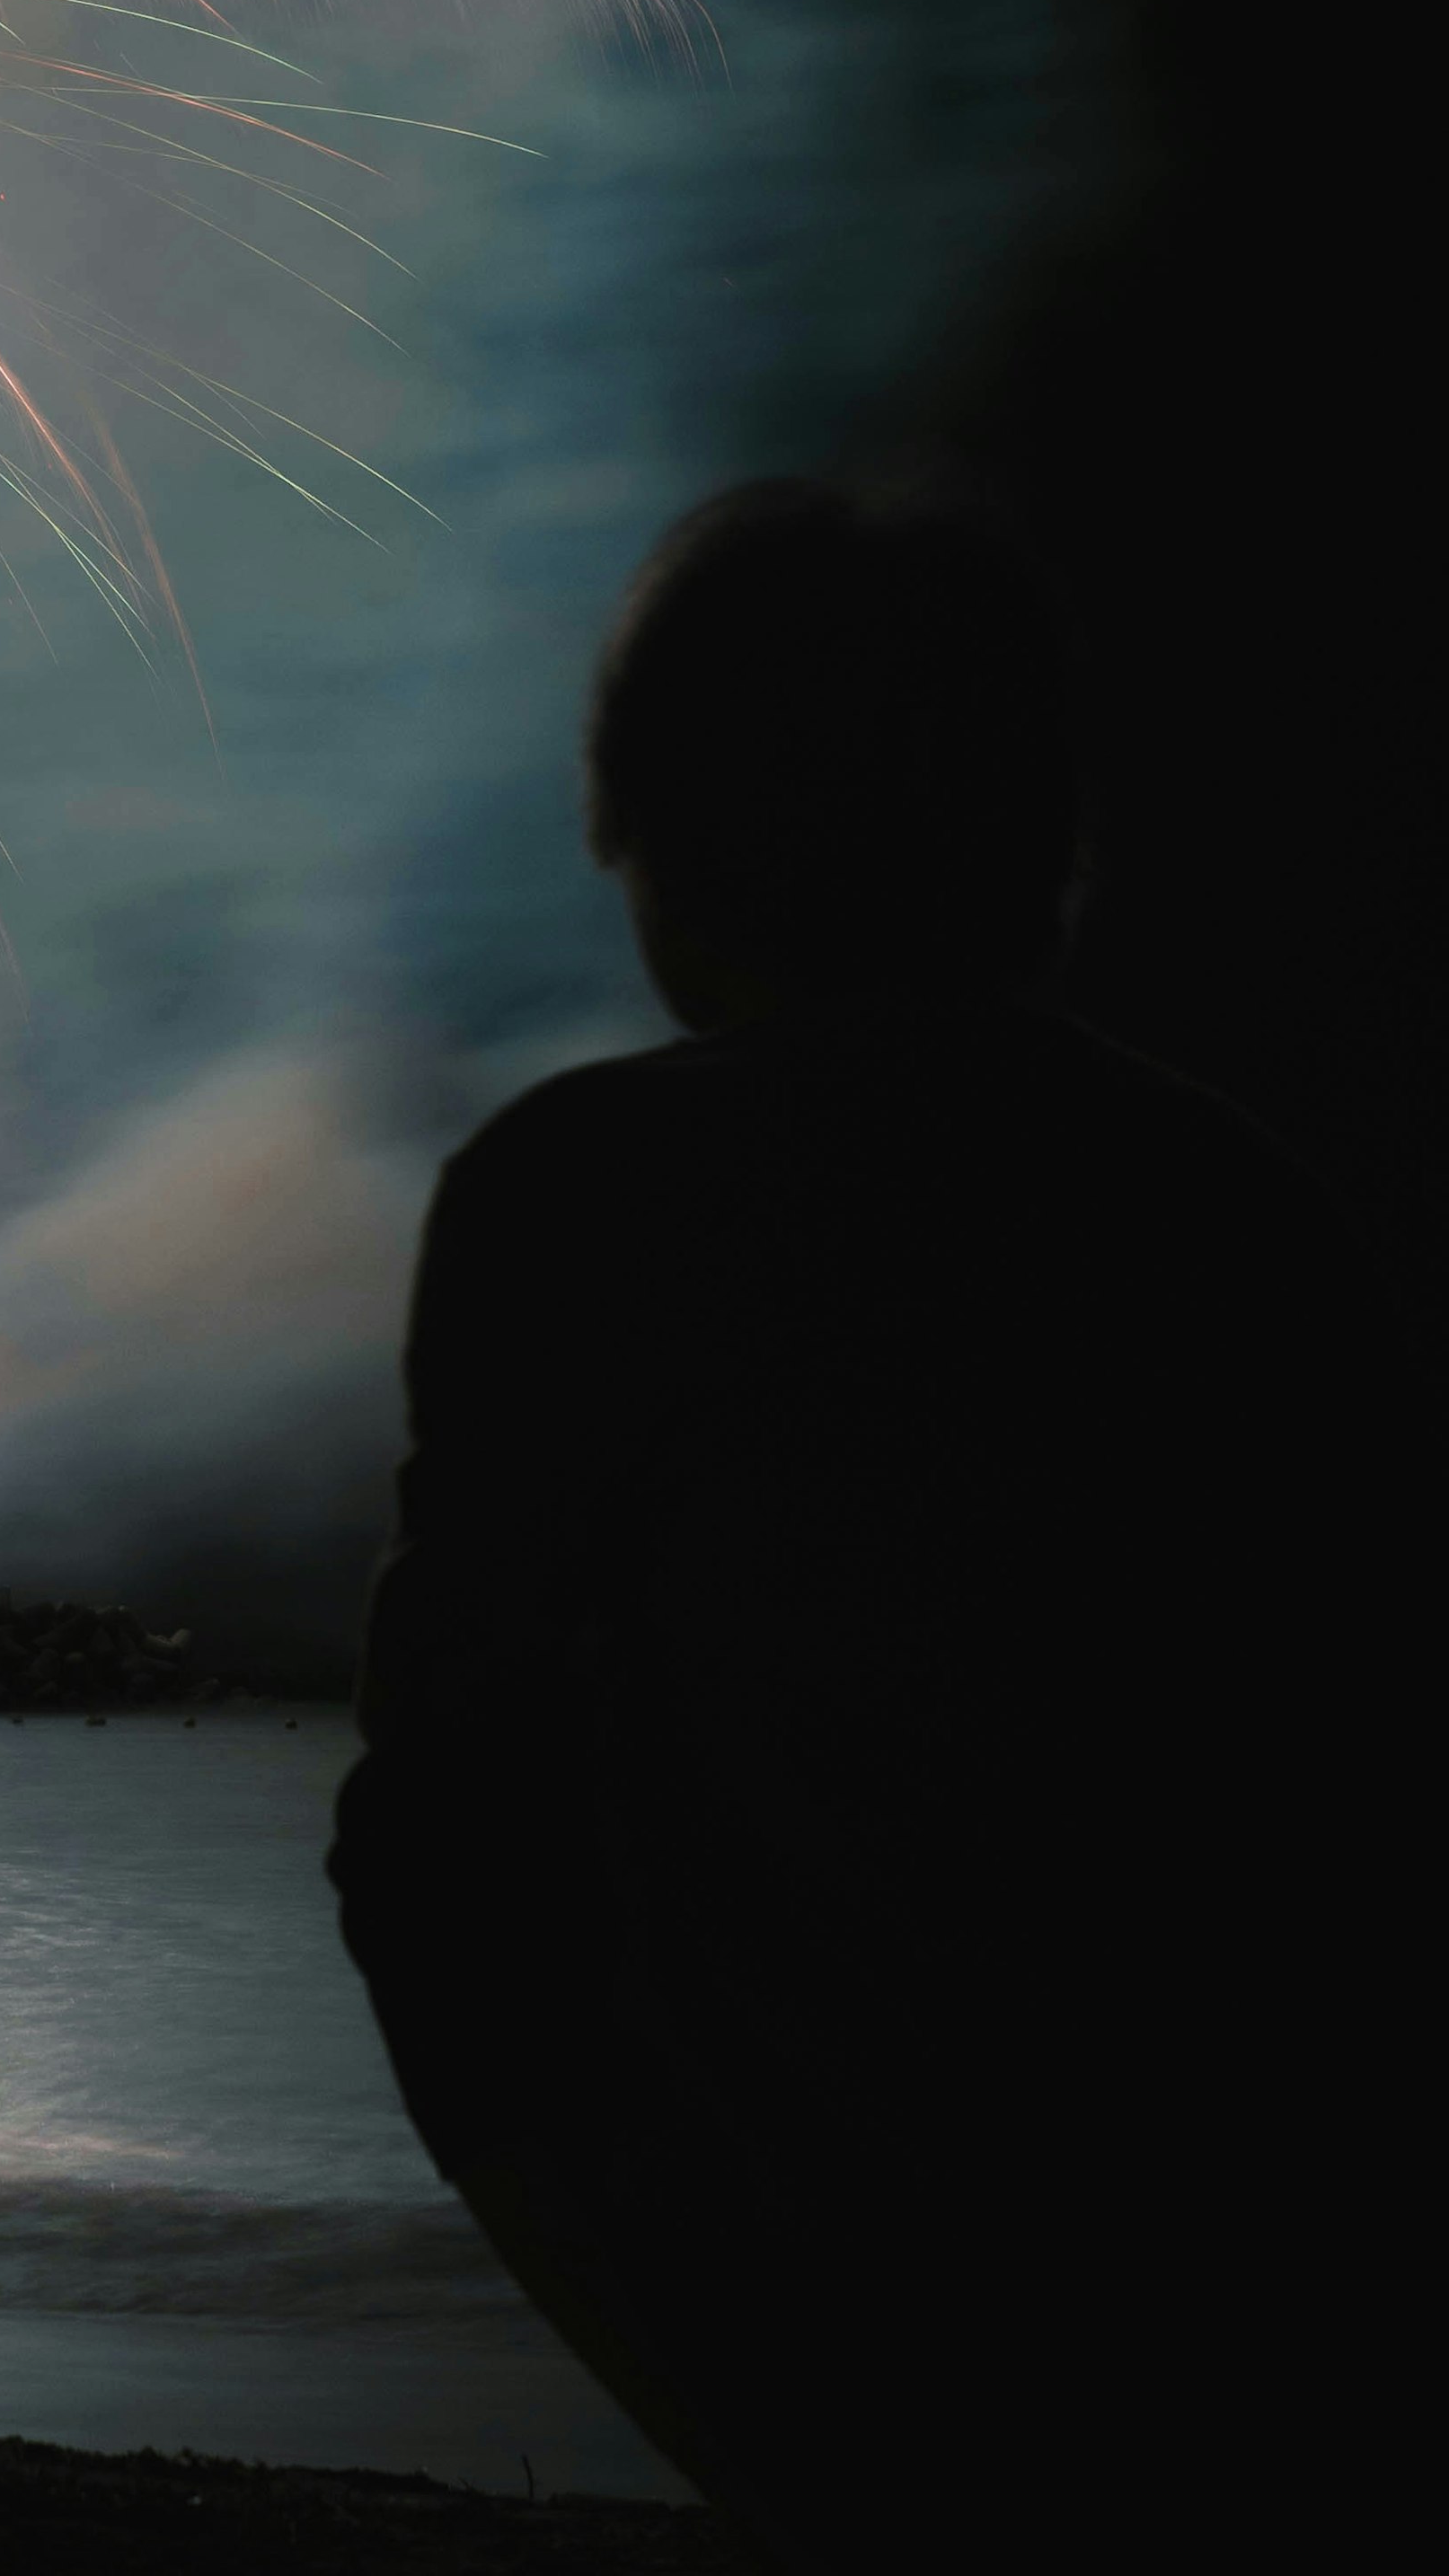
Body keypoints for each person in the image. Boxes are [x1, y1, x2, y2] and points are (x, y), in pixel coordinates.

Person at [326, 481, 1390, 2567]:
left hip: (805, 2310)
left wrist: (699, 2352)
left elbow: (443, 1843)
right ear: (1039, 828)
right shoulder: (1248, 1224)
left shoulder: (575, 1201)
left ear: (653, 829)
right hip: (1256, 2293)